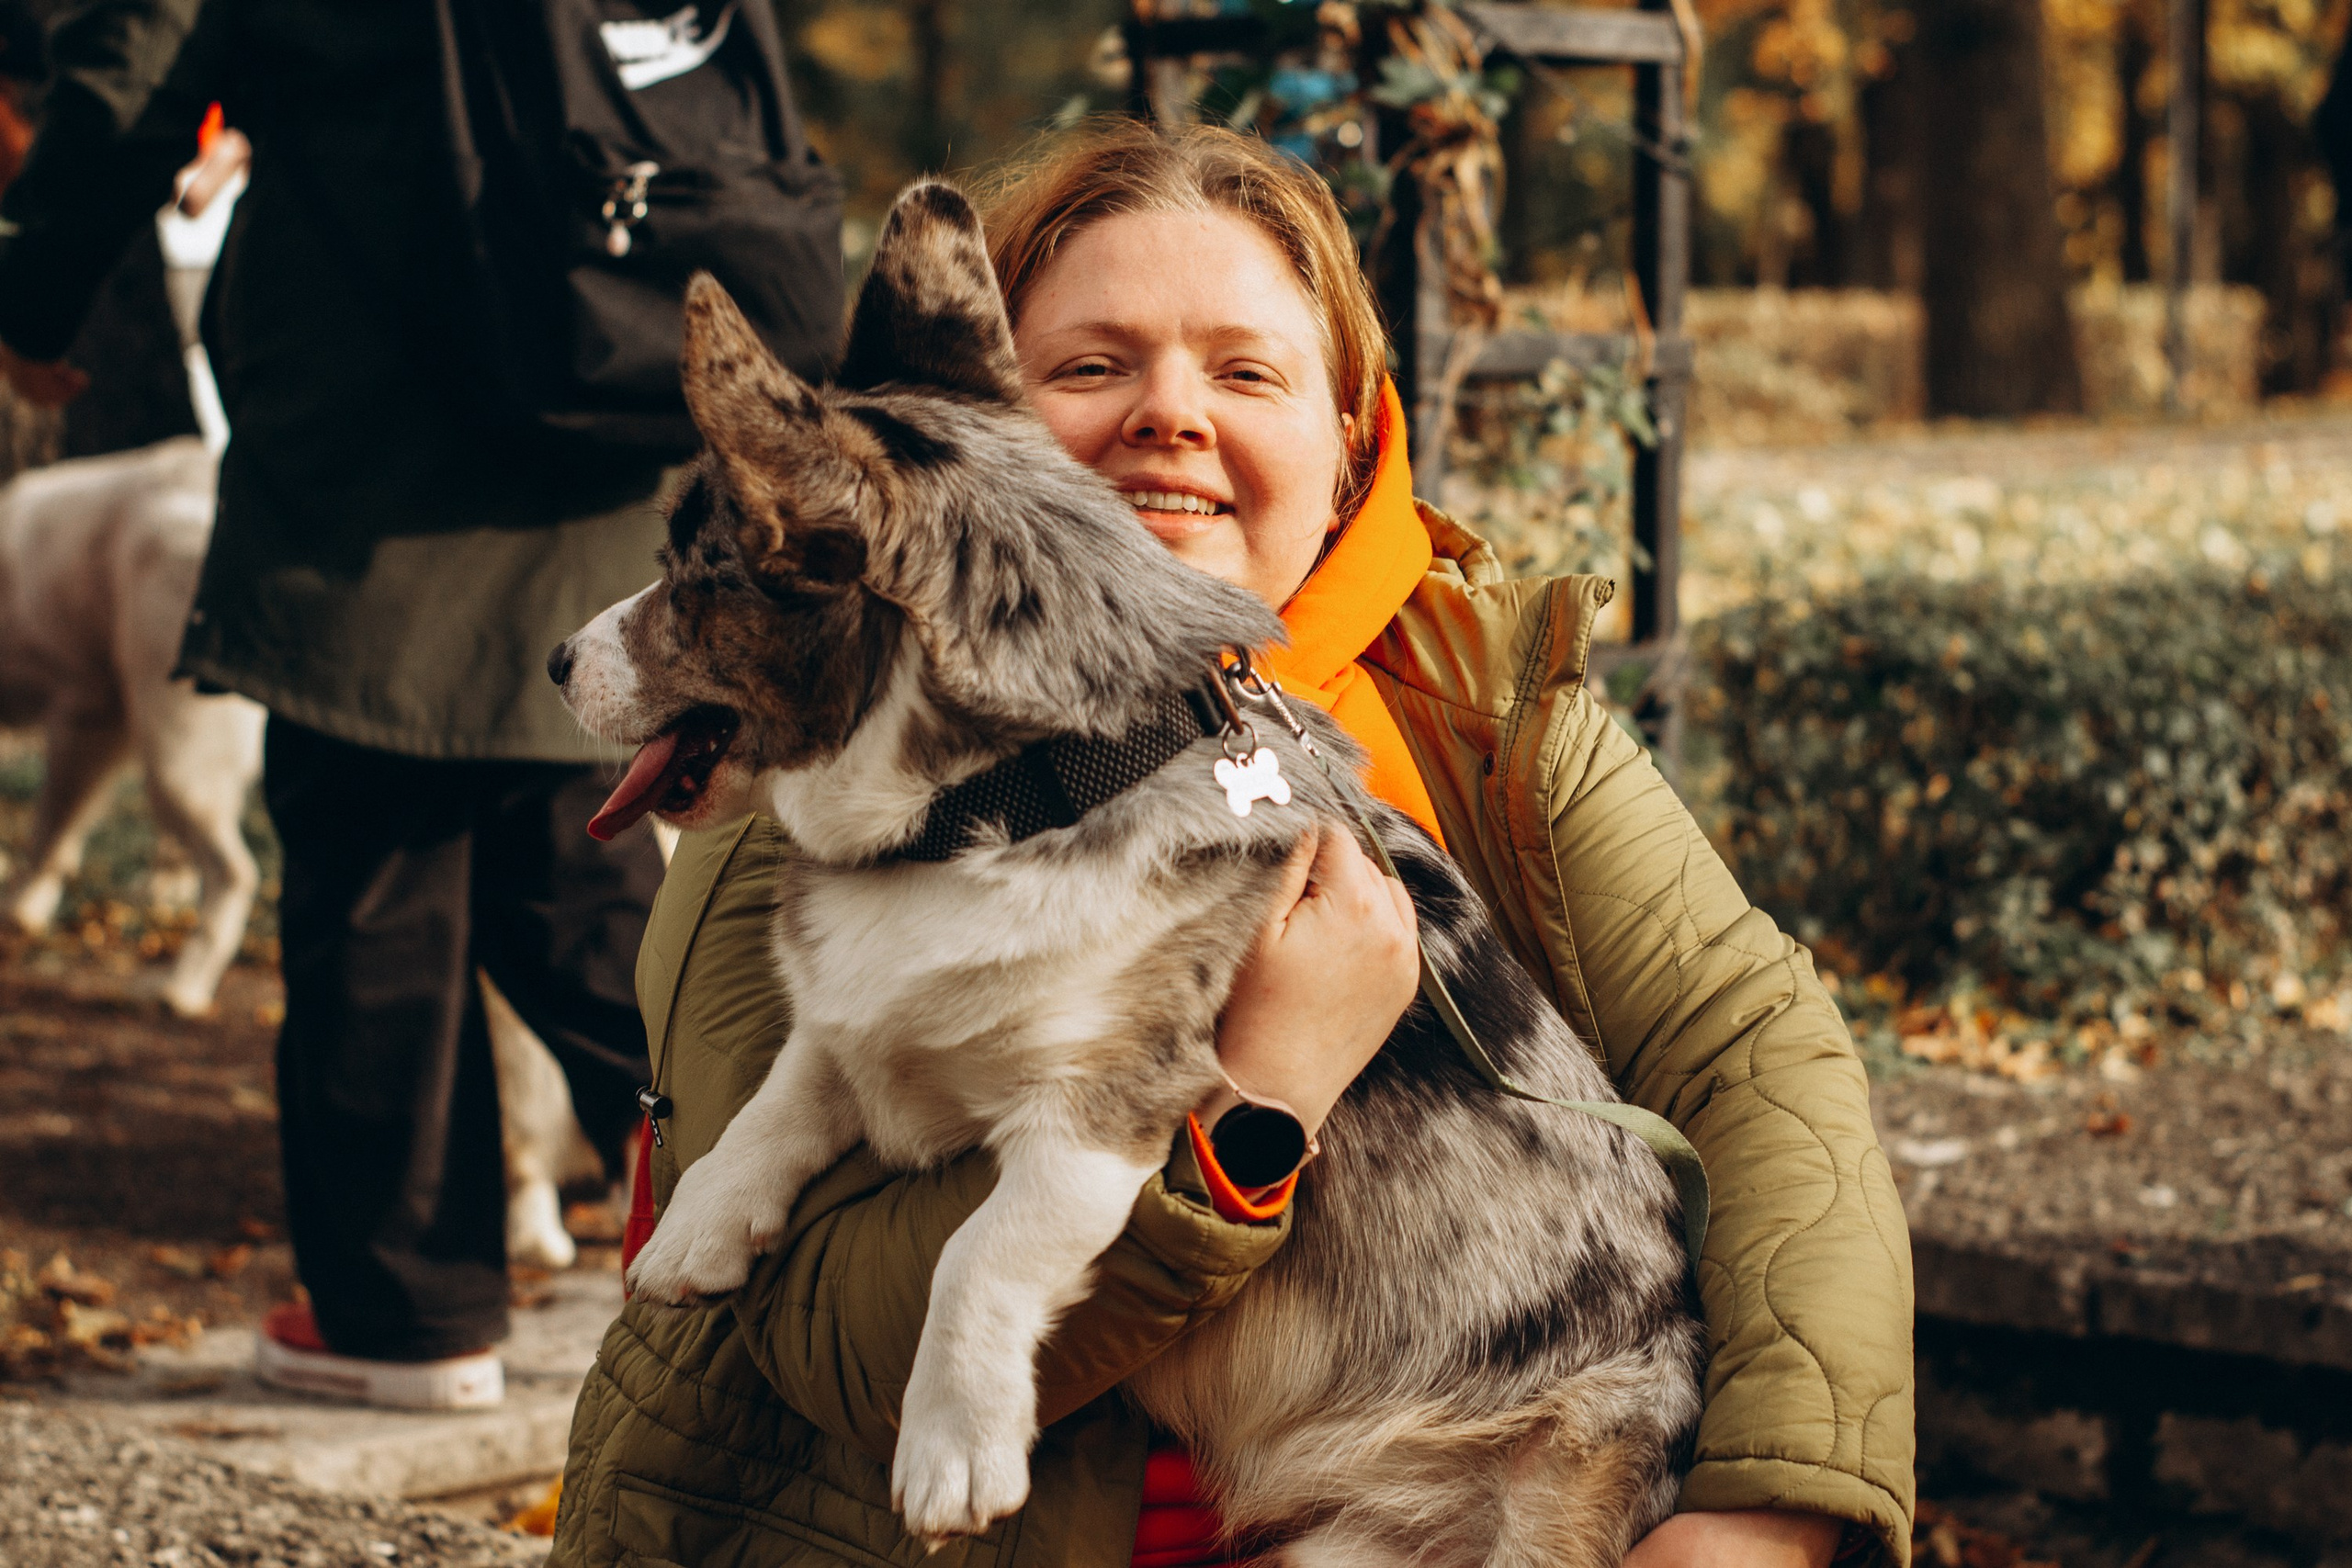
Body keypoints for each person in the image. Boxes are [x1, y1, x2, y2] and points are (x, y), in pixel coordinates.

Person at [551, 121, 1915, 1567]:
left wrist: (1771, 1513)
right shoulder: (818, 777)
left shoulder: (1475, 711)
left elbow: (1768, 1076)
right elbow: (835, 1340)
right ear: (970, 439)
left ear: (1346, 441)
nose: (1170, 417)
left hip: (1481, 1456)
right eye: (1091, 365)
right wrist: (1252, 1103)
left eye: (1248, 371)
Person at [0, 1, 684, 1406]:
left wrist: (35, 298)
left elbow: (130, 67)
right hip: (602, 371)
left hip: (377, 407)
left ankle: (404, 1321)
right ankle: (827, 1225)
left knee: (378, 860)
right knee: (579, 874)